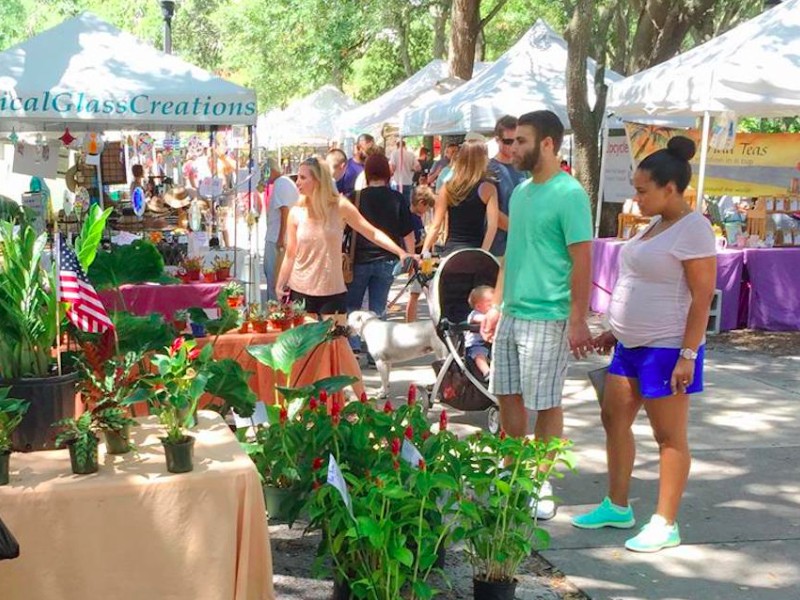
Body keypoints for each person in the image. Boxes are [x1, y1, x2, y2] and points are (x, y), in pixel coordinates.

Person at [571, 136, 716, 553]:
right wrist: (614, 330)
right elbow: (641, 282)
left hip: (667, 348)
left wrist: (688, 354)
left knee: (668, 436)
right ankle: (617, 505)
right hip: (630, 346)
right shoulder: (657, 225)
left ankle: (665, 522)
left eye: (642, 190)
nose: (635, 199)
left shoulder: (694, 229)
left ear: (670, 188)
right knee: (613, 417)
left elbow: (701, 296)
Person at [480, 110, 594, 521]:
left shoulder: (569, 193)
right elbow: (513, 253)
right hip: (513, 313)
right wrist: (497, 303)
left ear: (547, 143)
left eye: (521, 141)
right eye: (510, 141)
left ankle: (540, 481)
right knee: (507, 395)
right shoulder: (522, 193)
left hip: (549, 315)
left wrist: (578, 318)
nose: (512, 148)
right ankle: (512, 473)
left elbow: (582, 259)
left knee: (545, 402)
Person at [276, 156, 413, 317]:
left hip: (332, 290)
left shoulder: (340, 206)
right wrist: (280, 284)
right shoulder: (296, 213)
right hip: (301, 288)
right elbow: (291, 253)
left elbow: (372, 232)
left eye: (303, 177)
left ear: (319, 180)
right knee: (308, 342)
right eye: (298, 177)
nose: (297, 182)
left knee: (337, 341)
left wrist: (401, 252)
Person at [346, 153, 415, 325]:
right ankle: (376, 350)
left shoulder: (355, 197)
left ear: (367, 173)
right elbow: (408, 233)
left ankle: (353, 345)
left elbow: (344, 230)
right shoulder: (397, 198)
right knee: (379, 308)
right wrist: (411, 258)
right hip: (388, 260)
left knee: (352, 306)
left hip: (359, 260)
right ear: (387, 172)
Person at [421, 138, 499, 256]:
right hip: (475, 249)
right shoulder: (488, 188)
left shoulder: (447, 188)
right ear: (482, 159)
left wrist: (424, 251)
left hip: (451, 253)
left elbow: (435, 225)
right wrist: (483, 253)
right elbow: (492, 226)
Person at [488, 115, 527, 258]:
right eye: (508, 141)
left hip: (522, 248)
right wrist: (519, 231)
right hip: (498, 249)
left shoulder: (524, 169)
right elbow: (493, 213)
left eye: (518, 140)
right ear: (497, 140)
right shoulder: (489, 169)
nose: (513, 146)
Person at [262, 158, 299, 302]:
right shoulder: (285, 183)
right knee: (276, 276)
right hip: (279, 236)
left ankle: (275, 309)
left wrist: (280, 238)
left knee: (274, 277)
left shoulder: (281, 184)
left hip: (276, 238)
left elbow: (285, 211)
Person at [406, 185, 436, 322]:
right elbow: (413, 241)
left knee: (427, 291)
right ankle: (410, 323)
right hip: (418, 260)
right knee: (415, 293)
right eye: (427, 207)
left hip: (425, 260)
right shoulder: (411, 219)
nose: (427, 211)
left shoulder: (416, 218)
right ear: (420, 203)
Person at [465, 285, 494, 382]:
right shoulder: (475, 315)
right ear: (478, 306)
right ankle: (487, 372)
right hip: (476, 344)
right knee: (479, 355)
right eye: (490, 305)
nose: (494, 308)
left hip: (491, 343)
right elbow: (481, 320)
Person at [340, 133, 374, 198]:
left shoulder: (372, 167)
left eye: (372, 150)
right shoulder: (346, 167)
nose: (370, 153)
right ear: (358, 148)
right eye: (368, 150)